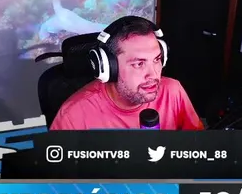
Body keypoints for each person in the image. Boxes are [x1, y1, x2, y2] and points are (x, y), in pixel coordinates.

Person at [51, 15, 205, 131]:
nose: (153, 75)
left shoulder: (173, 91)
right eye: (139, 64)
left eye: (157, 59)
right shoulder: (73, 115)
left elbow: (197, 149)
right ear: (108, 67)